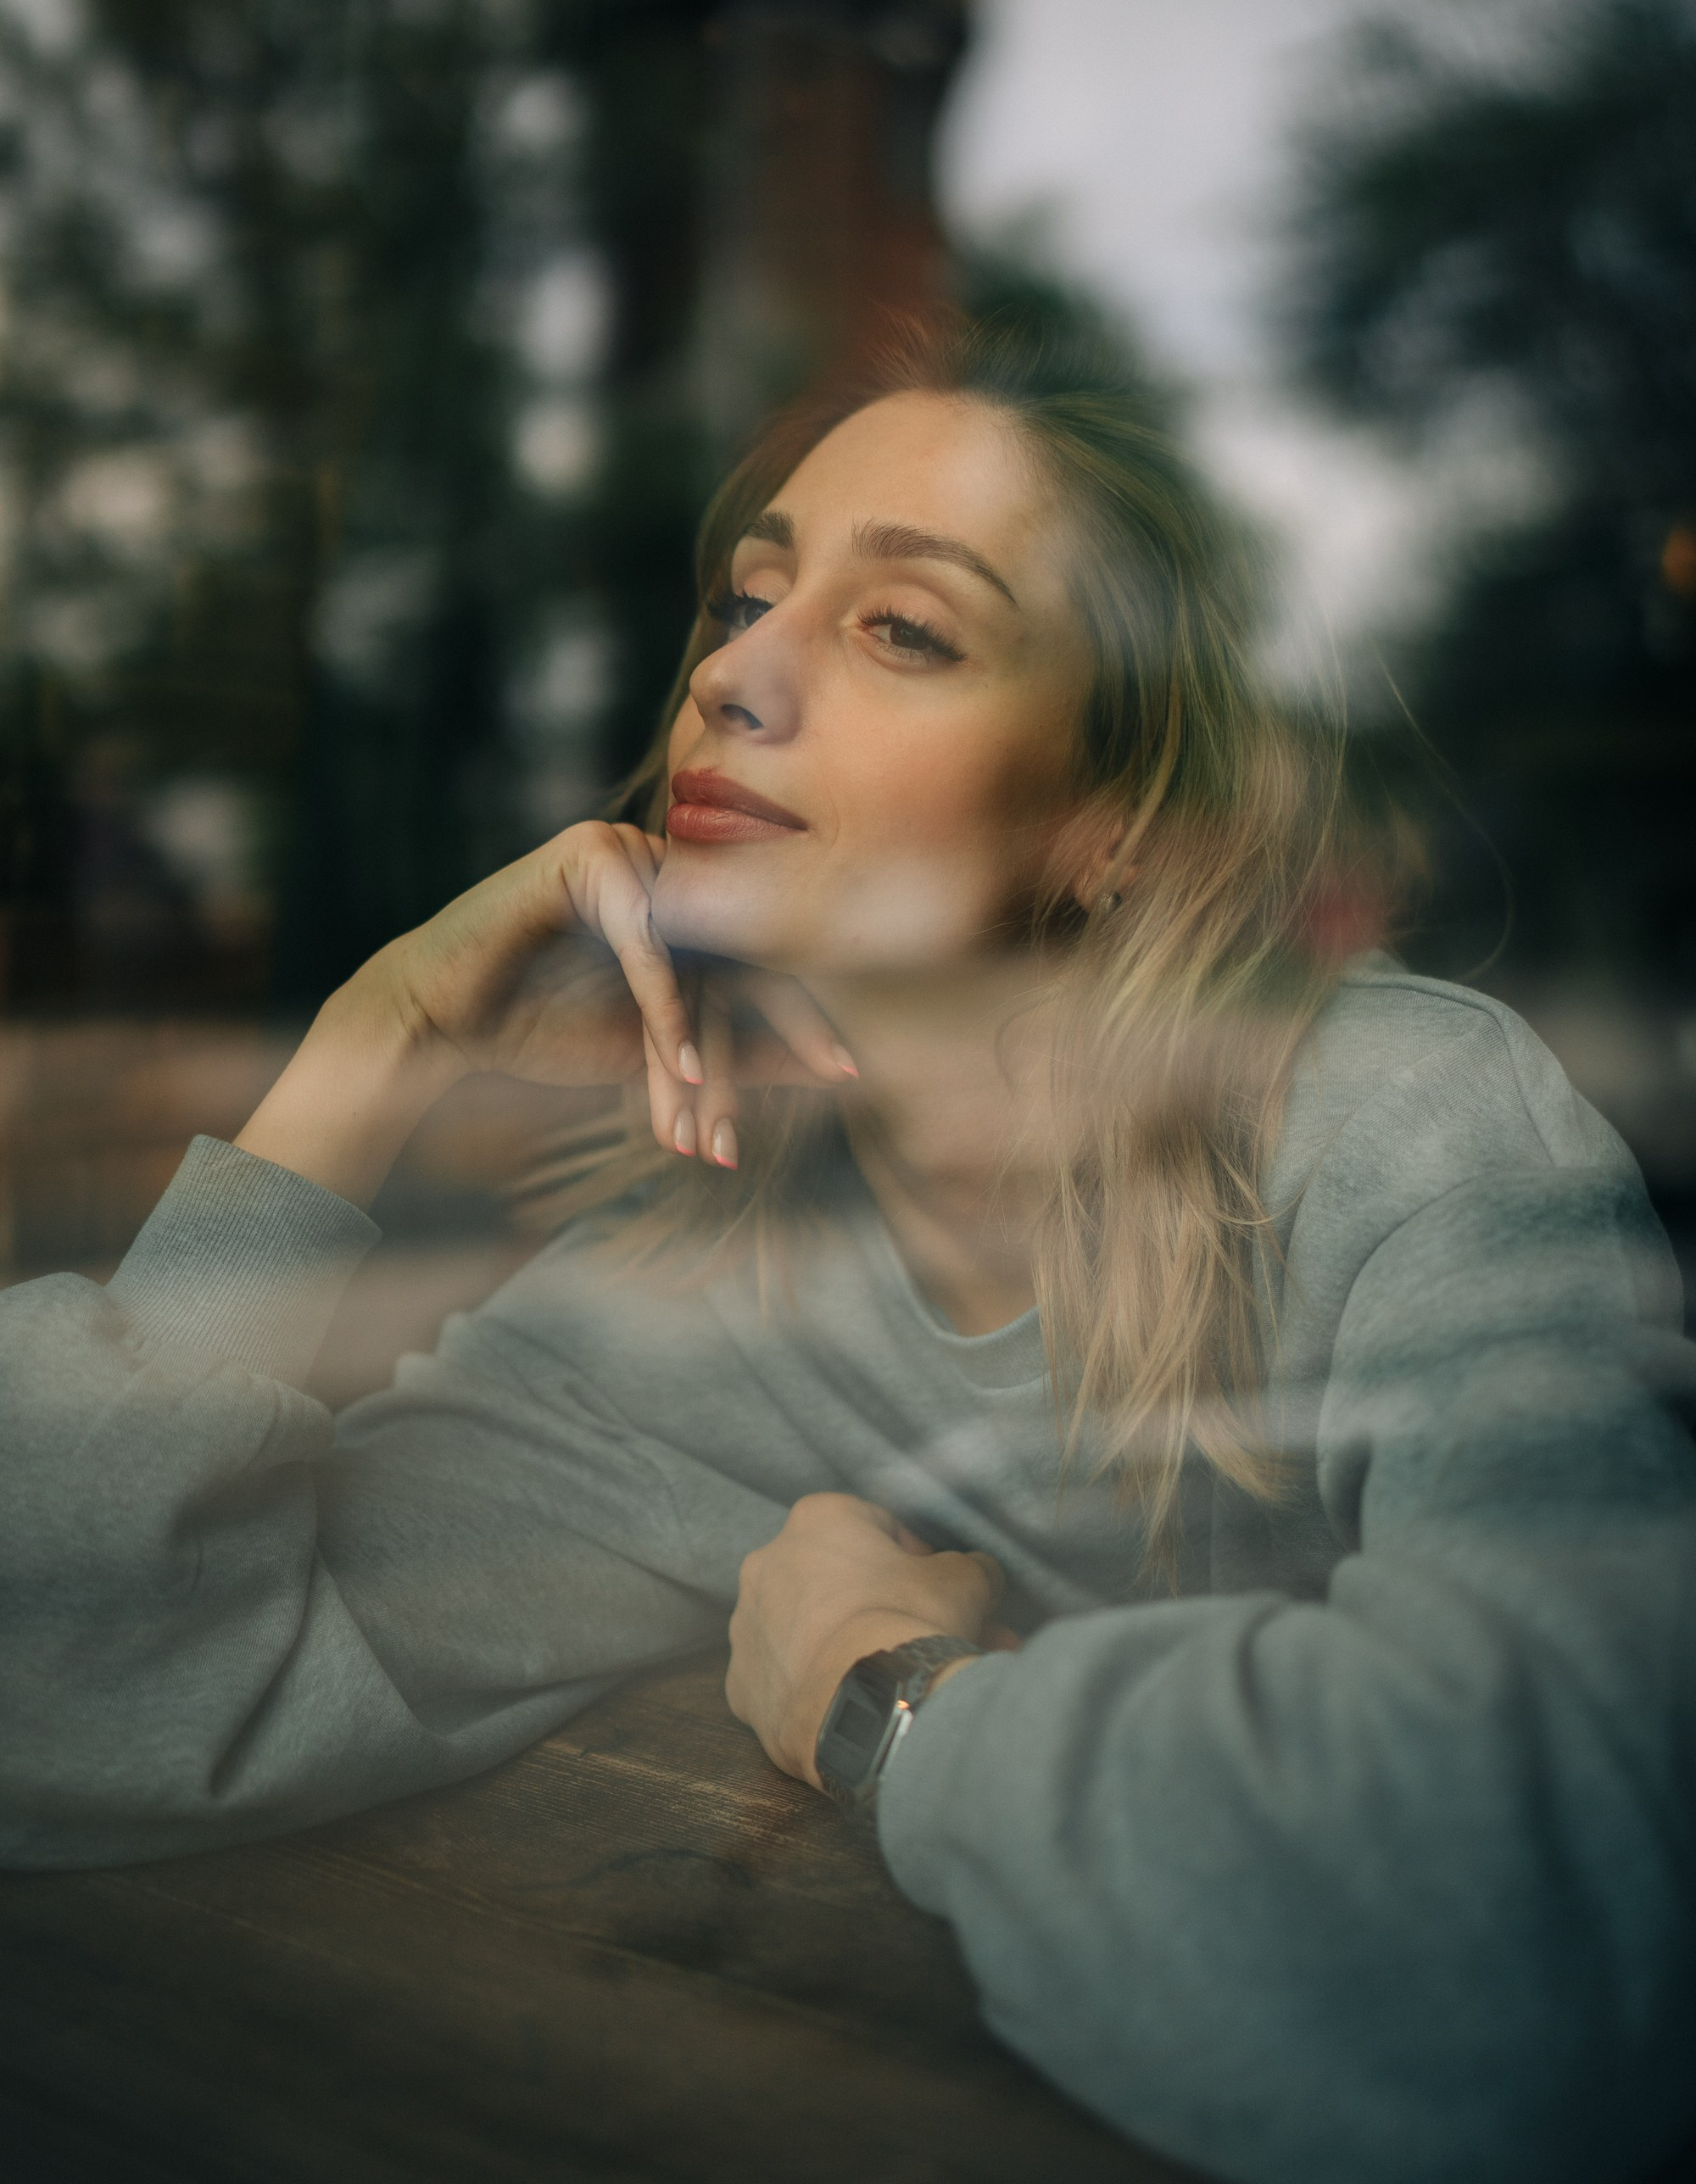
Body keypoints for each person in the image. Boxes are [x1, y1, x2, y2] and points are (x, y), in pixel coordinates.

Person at [2, 325, 1692, 2184]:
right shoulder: (687, 1302)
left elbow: (1553, 1950)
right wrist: (369, 1045)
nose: (739, 674)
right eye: (744, 597)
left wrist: (894, 1701)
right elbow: (58, 1700)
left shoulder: (1406, 1119)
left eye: (905, 629)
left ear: (1111, 821)